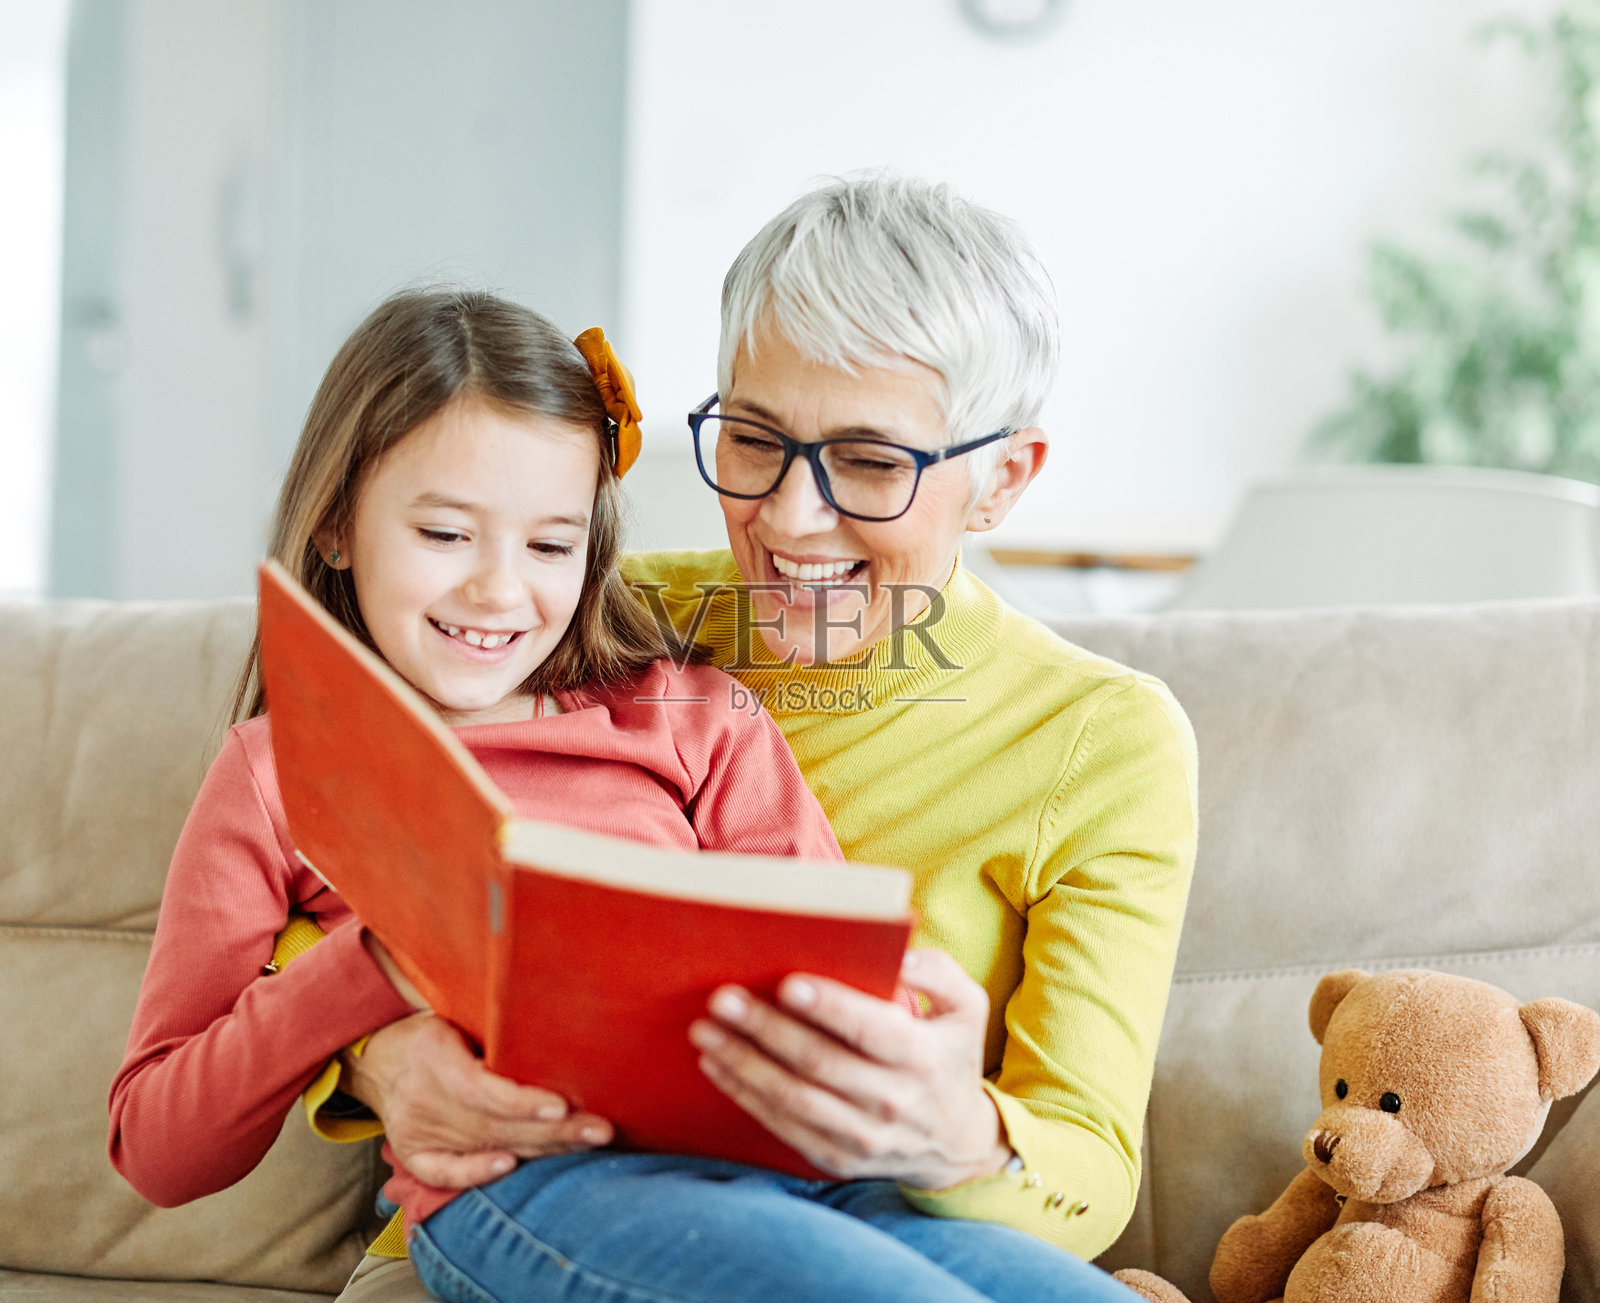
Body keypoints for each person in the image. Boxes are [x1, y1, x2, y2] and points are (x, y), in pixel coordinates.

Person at [325, 175, 1197, 1303]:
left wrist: (959, 1135)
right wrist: (380, 1057)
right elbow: (313, 854)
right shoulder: (592, 618)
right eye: (752, 439)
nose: (788, 518)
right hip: (533, 1205)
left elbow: (1090, 1162)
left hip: (859, 1212)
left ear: (1000, 481)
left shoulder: (1101, 740)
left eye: (873, 464)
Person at [106, 288, 844, 1248]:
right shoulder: (276, 771)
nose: (500, 588)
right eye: (445, 534)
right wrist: (363, 971)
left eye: (549, 544)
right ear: (336, 525)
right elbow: (157, 1147)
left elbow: (834, 973)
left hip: (779, 1169)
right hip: (523, 1187)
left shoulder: (691, 717)